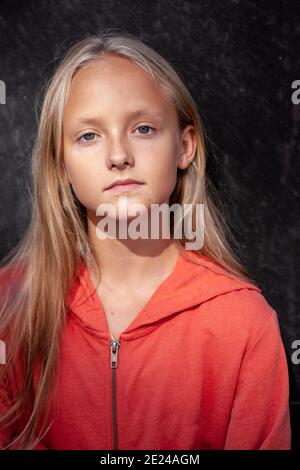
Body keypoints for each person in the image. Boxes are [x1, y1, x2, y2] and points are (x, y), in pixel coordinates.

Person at [0, 30, 291, 450]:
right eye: (88, 135)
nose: (118, 155)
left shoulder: (243, 324)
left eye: (143, 128)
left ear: (184, 147)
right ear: (60, 165)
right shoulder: (12, 307)